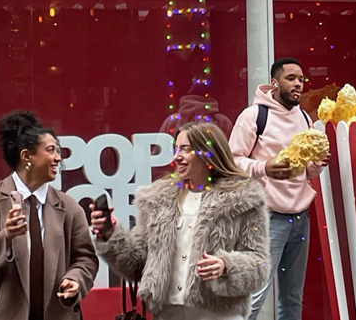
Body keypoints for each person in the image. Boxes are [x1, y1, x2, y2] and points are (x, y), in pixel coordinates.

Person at [92, 122, 270, 320]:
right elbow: (137, 264)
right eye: (176, 149)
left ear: (208, 152)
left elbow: (260, 263)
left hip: (219, 314)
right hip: (167, 313)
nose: (177, 156)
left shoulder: (244, 200)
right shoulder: (158, 200)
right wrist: (111, 234)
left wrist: (226, 266)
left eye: (186, 149)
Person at [0, 111, 98, 320]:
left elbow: (85, 259)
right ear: (26, 156)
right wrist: (5, 237)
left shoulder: (69, 208)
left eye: (57, 151)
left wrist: (75, 280)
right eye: (51, 150)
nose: (58, 158)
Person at [228, 57, 329, 320]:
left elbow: (306, 171)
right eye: (291, 78)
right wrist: (264, 168)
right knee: (255, 296)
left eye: (301, 80)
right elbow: (231, 161)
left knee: (293, 299)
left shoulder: (305, 117)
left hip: (300, 218)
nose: (298, 84)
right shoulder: (254, 116)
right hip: (266, 219)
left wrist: (317, 166)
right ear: (274, 83)